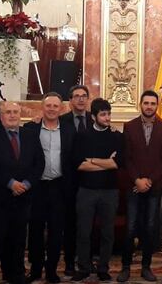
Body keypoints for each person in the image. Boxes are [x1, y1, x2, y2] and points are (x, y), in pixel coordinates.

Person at [117, 90, 162, 282]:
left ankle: (146, 267)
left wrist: (148, 181)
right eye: (146, 103)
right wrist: (137, 180)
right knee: (130, 228)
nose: (149, 106)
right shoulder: (129, 126)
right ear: (140, 104)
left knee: (150, 228)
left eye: (152, 103)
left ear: (157, 106)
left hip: (154, 187)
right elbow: (127, 158)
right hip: (134, 186)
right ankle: (125, 267)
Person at [24, 92, 76, 283]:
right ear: (42, 107)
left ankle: (52, 270)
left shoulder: (70, 130)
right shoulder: (30, 128)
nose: (52, 109)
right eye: (48, 106)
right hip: (37, 187)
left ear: (61, 109)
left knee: (56, 231)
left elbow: (72, 159)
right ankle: (36, 270)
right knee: (36, 230)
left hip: (59, 187)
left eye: (56, 106)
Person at [70, 98, 123, 281]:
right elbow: (79, 165)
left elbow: (117, 163)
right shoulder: (82, 136)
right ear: (93, 116)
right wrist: (105, 163)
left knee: (107, 232)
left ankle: (103, 268)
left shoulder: (117, 136)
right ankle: (83, 267)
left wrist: (92, 160)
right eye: (103, 114)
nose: (107, 118)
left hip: (110, 191)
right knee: (84, 231)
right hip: (86, 190)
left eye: (109, 114)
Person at [0, 102, 45, 284]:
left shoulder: (30, 135)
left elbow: (39, 163)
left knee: (18, 239)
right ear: (1, 115)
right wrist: (10, 183)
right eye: (8, 112)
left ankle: (14, 274)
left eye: (16, 112)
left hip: (24, 197)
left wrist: (27, 184)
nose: (13, 115)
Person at [59, 84, 93, 276]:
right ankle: (70, 262)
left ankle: (87, 261)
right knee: (70, 223)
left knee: (87, 225)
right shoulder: (61, 121)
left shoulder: (94, 119)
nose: (80, 99)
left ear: (87, 99)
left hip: (91, 180)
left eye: (84, 96)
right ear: (70, 100)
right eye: (76, 96)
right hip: (68, 181)